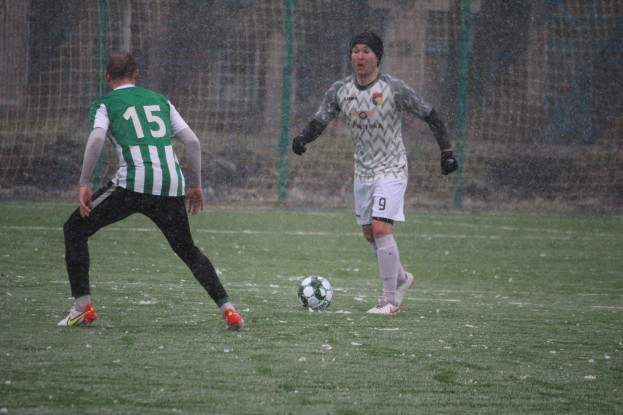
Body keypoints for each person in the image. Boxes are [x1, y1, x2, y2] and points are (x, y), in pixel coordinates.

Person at [58, 51, 244, 330]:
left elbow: (96, 138)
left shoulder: (105, 104)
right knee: (187, 250)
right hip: (170, 185)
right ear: (137, 75)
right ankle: (229, 311)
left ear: (107, 77)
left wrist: (84, 183)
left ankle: (83, 308)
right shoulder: (160, 101)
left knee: (74, 228)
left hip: (133, 184)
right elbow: (192, 142)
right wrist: (195, 185)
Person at [292, 32, 458, 314]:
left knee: (381, 229)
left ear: (377, 57)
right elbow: (320, 120)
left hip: (392, 169)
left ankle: (390, 300)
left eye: (366, 51)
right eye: (355, 50)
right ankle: (402, 279)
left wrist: (447, 152)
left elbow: (431, 115)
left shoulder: (393, 88)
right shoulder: (340, 90)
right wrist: (302, 139)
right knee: (370, 234)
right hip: (363, 172)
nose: (359, 56)